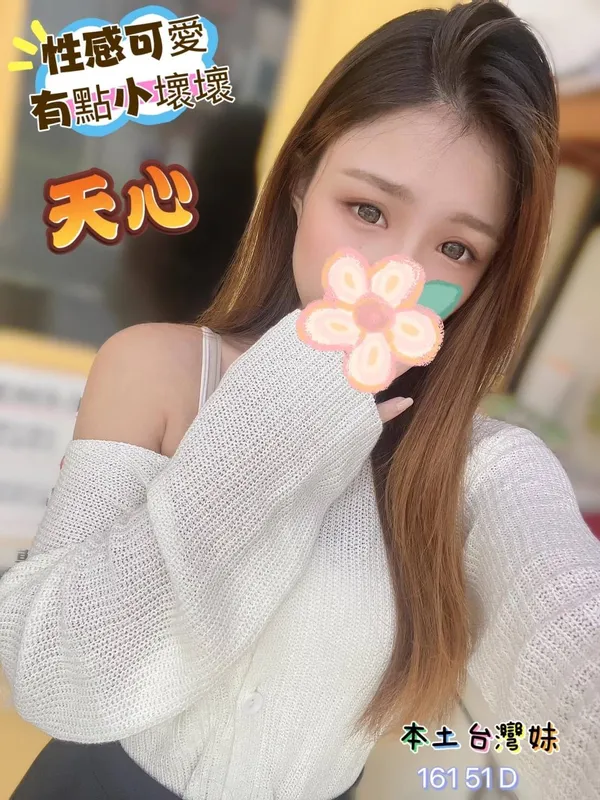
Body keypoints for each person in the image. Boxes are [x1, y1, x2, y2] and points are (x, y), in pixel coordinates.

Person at [1, 2, 599, 799]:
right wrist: (278, 421)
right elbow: (54, 680)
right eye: (367, 210)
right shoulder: (156, 370)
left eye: (456, 247)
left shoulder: (476, 468)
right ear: (299, 185)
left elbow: (566, 638)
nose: (398, 274)